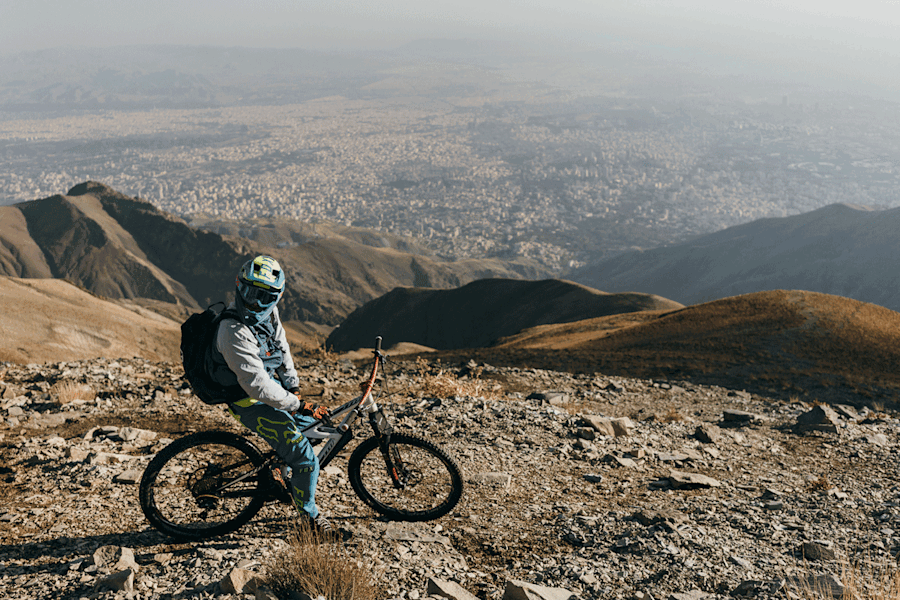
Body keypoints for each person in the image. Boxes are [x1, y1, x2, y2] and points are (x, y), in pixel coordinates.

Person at [208, 255, 333, 534]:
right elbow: (258, 387)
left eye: (265, 296)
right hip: (248, 402)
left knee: (311, 427)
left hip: (266, 393)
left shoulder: (269, 313)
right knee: (305, 459)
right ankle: (310, 521)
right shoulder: (233, 330)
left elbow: (281, 346)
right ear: (239, 286)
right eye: (250, 292)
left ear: (277, 297)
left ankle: (277, 467)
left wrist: (293, 385)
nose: (255, 302)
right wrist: (298, 403)